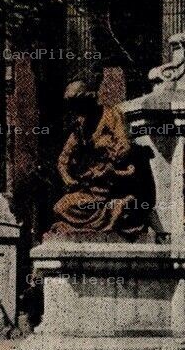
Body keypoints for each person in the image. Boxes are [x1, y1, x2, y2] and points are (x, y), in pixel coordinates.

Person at [51, 80, 156, 239]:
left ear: (88, 100)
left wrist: (108, 164)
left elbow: (125, 147)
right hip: (92, 188)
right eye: (73, 106)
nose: (75, 110)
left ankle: (115, 210)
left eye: (78, 104)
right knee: (61, 207)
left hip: (114, 184)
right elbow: (64, 158)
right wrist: (68, 179)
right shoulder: (81, 126)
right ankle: (106, 215)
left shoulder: (111, 115)